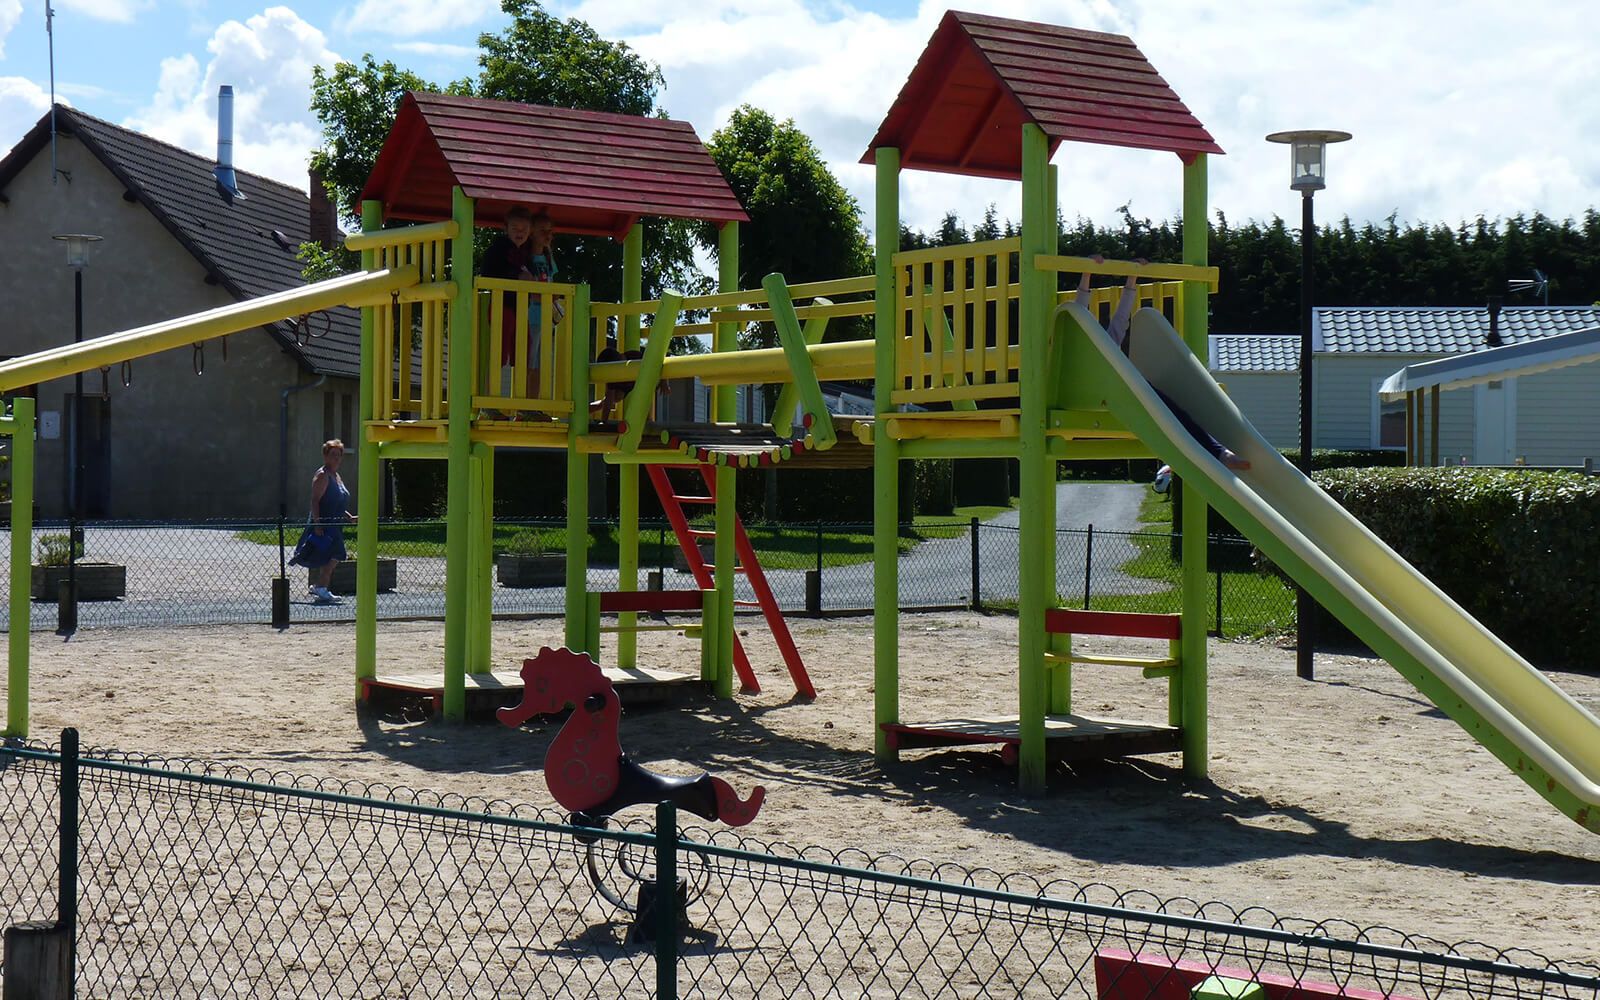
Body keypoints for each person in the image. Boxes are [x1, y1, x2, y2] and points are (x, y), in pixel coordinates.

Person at [1077, 254, 1250, 471]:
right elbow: (1079, 309)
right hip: (1105, 396)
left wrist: (1132, 276)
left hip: (1127, 392)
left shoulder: (1108, 343)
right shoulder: (1079, 348)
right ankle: (1218, 453)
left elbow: (1121, 318)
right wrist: (1086, 273)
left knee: (1173, 408)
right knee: (1163, 405)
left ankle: (1220, 453)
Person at [482, 206, 558, 409]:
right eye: (515, 228)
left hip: (520, 311)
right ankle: (489, 405)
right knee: (498, 355)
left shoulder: (524, 253)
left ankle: (523, 406)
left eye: (524, 229)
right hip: (503, 307)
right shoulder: (499, 248)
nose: (520, 232)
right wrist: (516, 276)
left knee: (524, 355)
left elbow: (531, 276)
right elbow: (488, 272)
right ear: (506, 228)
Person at [289, 439, 357, 604]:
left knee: (330, 556)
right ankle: (321, 587)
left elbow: (337, 501)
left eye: (339, 455)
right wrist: (318, 523)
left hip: (336, 524)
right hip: (325, 524)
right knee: (337, 554)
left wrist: (349, 517)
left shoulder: (336, 476)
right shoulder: (322, 475)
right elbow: (315, 501)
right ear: (325, 456)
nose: (336, 458)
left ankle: (320, 586)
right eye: (333, 454)